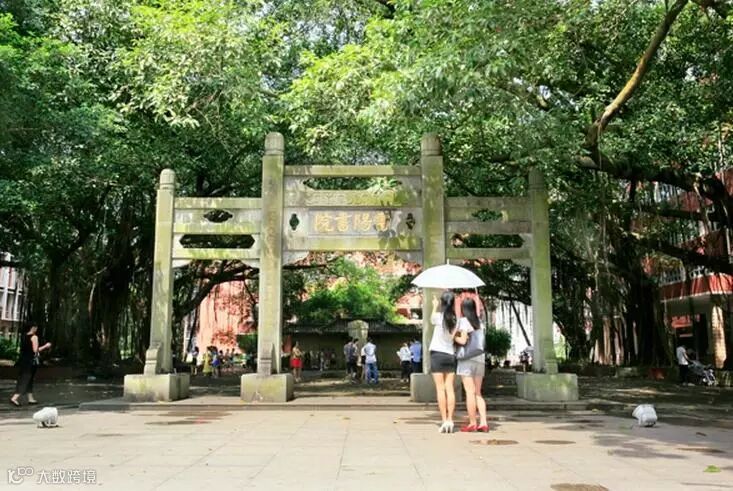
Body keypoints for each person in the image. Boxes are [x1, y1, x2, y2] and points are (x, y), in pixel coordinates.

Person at [454, 297, 489, 432]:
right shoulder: (480, 322)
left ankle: (473, 422)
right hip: (479, 359)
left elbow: (463, 341)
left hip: (467, 359)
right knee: (478, 393)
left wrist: (454, 336)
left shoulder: (464, 321)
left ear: (463, 309)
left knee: (470, 392)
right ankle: (484, 422)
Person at [429, 291, 458, 433]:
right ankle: (451, 420)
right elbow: (453, 338)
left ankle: (444, 419)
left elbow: (431, 319)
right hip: (450, 355)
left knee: (440, 389)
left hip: (437, 355)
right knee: (449, 388)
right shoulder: (455, 320)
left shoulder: (438, 317)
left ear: (442, 302)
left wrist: (434, 306)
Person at [10, 325, 52, 407]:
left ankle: (30, 398)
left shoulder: (24, 336)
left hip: (24, 360)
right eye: (36, 327)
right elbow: (35, 350)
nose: (36, 329)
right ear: (33, 328)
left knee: (29, 379)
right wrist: (46, 346)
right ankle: (14, 398)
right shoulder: (34, 337)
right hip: (30, 361)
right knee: (26, 378)